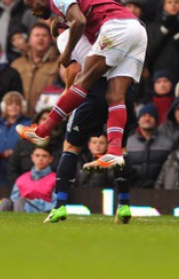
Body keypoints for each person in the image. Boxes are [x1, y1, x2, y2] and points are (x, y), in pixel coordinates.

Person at [16, 0, 147, 172]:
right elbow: (76, 16)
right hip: (137, 31)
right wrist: (59, 22)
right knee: (114, 95)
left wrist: (67, 53)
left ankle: (43, 131)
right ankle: (114, 151)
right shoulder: (66, 5)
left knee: (84, 80)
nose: (32, 12)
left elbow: (79, 21)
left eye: (31, 5)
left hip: (117, 27)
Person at [42, 25, 137, 224]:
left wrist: (69, 93)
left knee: (71, 147)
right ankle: (124, 205)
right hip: (121, 89)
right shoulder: (107, 31)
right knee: (120, 149)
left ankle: (59, 206)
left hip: (92, 91)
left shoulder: (66, 36)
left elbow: (74, 69)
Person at [0, 147, 56, 213]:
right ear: (32, 157)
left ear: (50, 159)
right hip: (19, 207)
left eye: (44, 156)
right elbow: (13, 199)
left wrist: (31, 203)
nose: (40, 159)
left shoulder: (55, 179)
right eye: (37, 155)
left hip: (41, 212)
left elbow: (56, 205)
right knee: (5, 202)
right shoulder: (22, 179)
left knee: (20, 202)